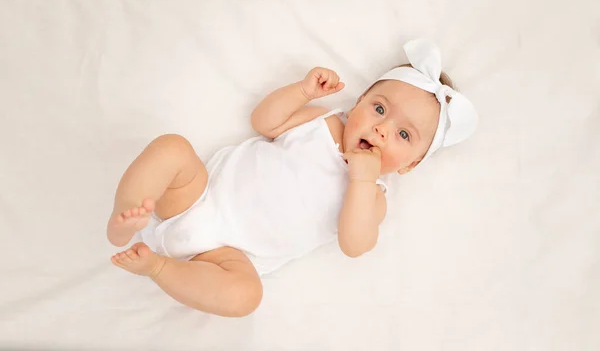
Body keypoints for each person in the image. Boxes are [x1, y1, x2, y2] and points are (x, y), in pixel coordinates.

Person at [106, 38, 478, 317]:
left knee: (245, 298)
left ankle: (157, 267)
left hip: (225, 257)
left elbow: (354, 243)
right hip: (197, 196)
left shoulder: (374, 196)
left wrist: (361, 181)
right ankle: (124, 221)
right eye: (379, 109)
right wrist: (301, 92)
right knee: (172, 148)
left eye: (403, 135)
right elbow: (264, 122)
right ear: (358, 102)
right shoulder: (323, 122)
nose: (381, 129)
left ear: (409, 165)